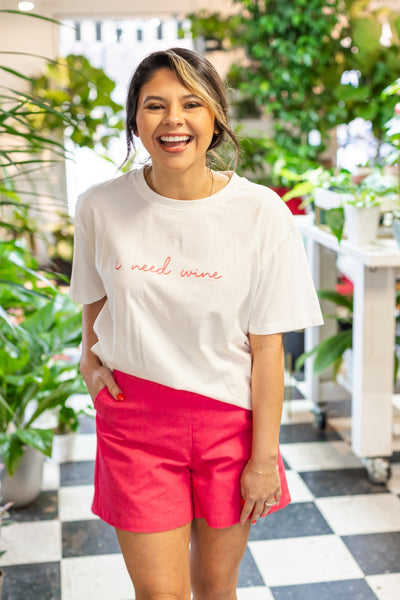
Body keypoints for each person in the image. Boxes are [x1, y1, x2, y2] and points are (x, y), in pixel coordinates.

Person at [70, 47, 323, 600]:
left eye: (191, 104)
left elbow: (269, 351)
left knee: (214, 587)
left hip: (229, 425)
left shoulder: (261, 212)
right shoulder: (99, 207)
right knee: (160, 594)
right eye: (154, 105)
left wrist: (264, 458)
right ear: (135, 119)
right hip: (136, 423)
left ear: (215, 116)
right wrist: (90, 363)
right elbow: (93, 302)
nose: (174, 120)